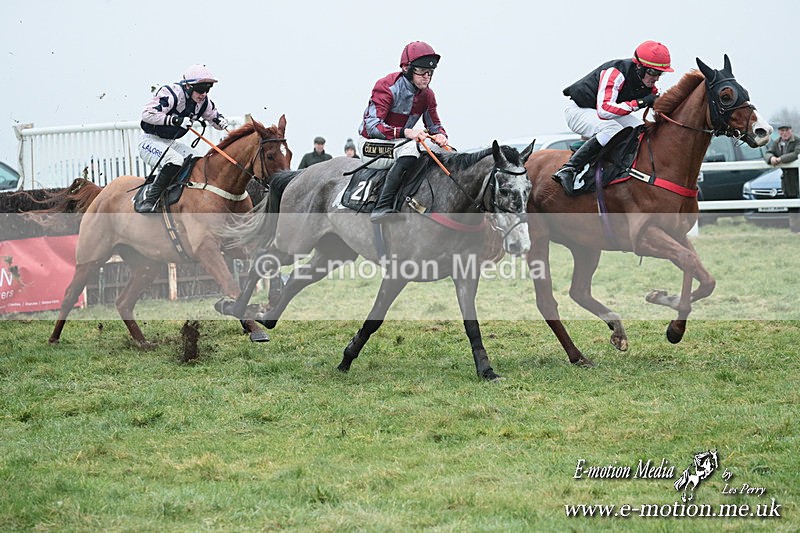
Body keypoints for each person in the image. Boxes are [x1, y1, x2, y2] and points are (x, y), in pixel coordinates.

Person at [552, 41, 674, 195]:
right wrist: (640, 103)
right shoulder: (615, 73)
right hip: (579, 110)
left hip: (599, 112)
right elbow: (604, 111)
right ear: (639, 67)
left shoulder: (648, 82)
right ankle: (569, 169)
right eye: (652, 72)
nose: (656, 78)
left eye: (660, 73)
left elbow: (657, 102)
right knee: (612, 129)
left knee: (639, 129)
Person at [359, 41, 448, 222]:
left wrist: (441, 135)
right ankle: (382, 206)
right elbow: (372, 126)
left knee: (444, 152)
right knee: (410, 149)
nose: (427, 77)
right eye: (421, 71)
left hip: (400, 144)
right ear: (407, 68)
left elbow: (435, 125)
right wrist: (406, 132)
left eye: (430, 73)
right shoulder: (387, 87)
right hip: (370, 145)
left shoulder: (427, 95)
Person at [136, 64, 229, 213]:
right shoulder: (171, 93)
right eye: (200, 89)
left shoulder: (203, 102)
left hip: (170, 143)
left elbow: (214, 117)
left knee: (198, 160)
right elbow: (147, 114)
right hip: (149, 141)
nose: (204, 94)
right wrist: (175, 120)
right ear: (187, 87)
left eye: (207, 89)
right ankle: (150, 199)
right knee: (175, 160)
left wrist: (221, 121)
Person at [764, 123, 800, 233]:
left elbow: (796, 154)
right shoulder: (777, 142)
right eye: (782, 130)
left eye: (786, 130)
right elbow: (767, 153)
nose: (784, 133)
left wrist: (780, 159)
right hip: (787, 180)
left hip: (797, 176)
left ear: (791, 130)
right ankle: (794, 229)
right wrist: (771, 159)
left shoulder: (797, 140)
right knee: (791, 204)